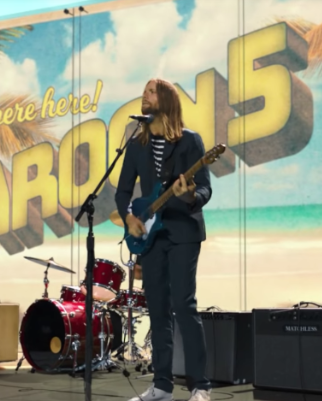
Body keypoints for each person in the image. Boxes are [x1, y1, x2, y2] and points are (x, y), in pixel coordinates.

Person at [115, 78, 212, 401]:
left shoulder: (190, 141)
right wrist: (129, 218)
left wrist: (188, 196)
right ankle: (162, 386)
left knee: (184, 306)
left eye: (152, 91)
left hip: (184, 232)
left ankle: (200, 386)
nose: (144, 95)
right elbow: (123, 192)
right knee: (157, 310)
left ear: (167, 100)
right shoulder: (136, 144)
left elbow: (204, 188)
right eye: (143, 91)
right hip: (151, 236)